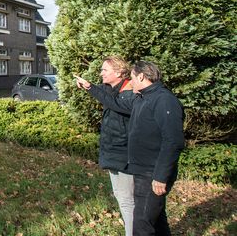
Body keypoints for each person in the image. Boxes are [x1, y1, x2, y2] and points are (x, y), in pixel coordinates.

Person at [79, 60, 184, 236]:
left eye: (133, 78)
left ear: (142, 76)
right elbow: (114, 102)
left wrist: (160, 176)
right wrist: (90, 88)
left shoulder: (164, 100)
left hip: (153, 173)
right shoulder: (143, 98)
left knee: (142, 225)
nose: (130, 82)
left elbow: (173, 141)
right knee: (156, 220)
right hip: (142, 171)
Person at [74, 56, 135, 236]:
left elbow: (114, 103)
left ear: (118, 72)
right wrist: (88, 86)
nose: (101, 73)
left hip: (123, 155)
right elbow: (106, 94)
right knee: (122, 197)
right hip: (115, 154)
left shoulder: (129, 92)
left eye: (104, 70)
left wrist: (91, 88)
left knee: (126, 200)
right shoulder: (115, 89)